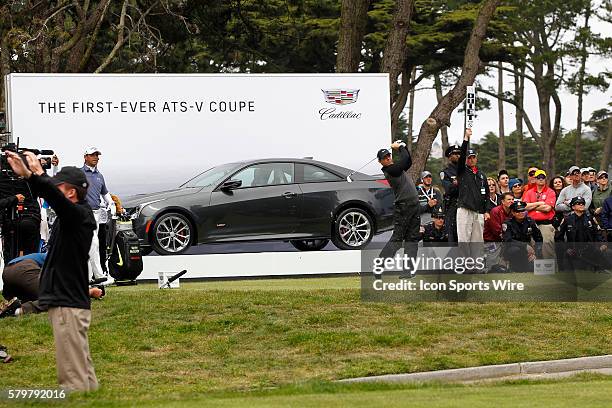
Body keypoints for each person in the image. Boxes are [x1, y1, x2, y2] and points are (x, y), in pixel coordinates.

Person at [5, 151, 98, 391]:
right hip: (68, 302)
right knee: (82, 374)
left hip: (69, 305)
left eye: (60, 187)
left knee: (74, 381)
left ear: (71, 192)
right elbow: (52, 197)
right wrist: (31, 178)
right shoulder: (75, 217)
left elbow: (55, 199)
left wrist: (37, 175)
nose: (55, 191)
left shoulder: (78, 216)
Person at [1, 253, 104, 318]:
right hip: (24, 269)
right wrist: (89, 292)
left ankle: (11, 305)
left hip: (8, 272)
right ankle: (17, 310)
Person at [377, 142, 420, 277]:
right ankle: (379, 267)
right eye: (385, 157)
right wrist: (401, 147)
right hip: (404, 207)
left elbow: (408, 162)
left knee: (412, 239)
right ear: (380, 162)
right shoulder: (390, 170)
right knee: (397, 240)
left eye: (389, 155)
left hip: (413, 205)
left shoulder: (395, 167)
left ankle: (408, 271)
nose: (388, 158)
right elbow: (405, 160)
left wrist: (404, 146)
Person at [81, 147, 116, 281]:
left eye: (97, 155)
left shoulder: (99, 176)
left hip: (95, 214)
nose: (96, 157)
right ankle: (99, 275)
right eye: (92, 155)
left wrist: (111, 204)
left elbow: (104, 192)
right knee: (93, 243)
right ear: (85, 157)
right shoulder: (79, 174)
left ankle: (90, 277)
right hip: (84, 213)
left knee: (90, 245)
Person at [555, 196, 609, 272]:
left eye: (583, 204)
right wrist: (566, 249)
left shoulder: (590, 218)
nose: (581, 205)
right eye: (578, 203)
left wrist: (602, 243)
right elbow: (558, 238)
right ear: (573, 207)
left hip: (589, 250)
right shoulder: (567, 220)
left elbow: (597, 233)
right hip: (573, 252)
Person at [456, 128, 488, 244]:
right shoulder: (462, 171)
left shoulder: (481, 175)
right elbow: (462, 153)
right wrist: (466, 138)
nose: (471, 160)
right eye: (469, 158)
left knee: (478, 241)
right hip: (465, 209)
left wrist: (486, 210)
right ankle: (464, 262)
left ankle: (477, 262)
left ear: (476, 158)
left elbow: (487, 194)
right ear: (465, 160)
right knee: (464, 240)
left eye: (473, 157)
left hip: (478, 212)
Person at [521, 169, 556, 259]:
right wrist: (539, 203)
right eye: (538, 177)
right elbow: (525, 206)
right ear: (535, 179)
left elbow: (547, 208)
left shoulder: (550, 191)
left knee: (548, 248)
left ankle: (551, 271)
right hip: (531, 224)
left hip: (545, 224)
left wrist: (532, 206)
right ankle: (534, 270)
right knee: (533, 248)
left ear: (545, 179)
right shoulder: (529, 192)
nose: (541, 179)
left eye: (543, 177)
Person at [502, 201, 543, 272]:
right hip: (513, 250)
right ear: (513, 213)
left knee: (532, 268)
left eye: (523, 211)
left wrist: (536, 252)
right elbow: (508, 240)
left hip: (529, 251)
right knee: (516, 250)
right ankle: (514, 268)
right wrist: (525, 246)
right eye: (518, 211)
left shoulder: (530, 221)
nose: (521, 213)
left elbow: (539, 238)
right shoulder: (507, 223)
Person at [440, 144, 461, 242]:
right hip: (453, 207)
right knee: (452, 235)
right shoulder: (446, 173)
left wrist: (457, 183)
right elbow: (449, 190)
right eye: (455, 154)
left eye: (459, 153)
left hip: (466, 205)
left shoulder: (466, 170)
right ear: (449, 157)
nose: (458, 155)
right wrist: (459, 184)